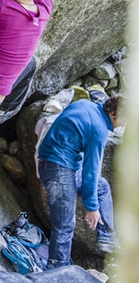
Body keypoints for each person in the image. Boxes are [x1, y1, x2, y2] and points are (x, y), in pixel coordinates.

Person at [38, 96, 123, 269]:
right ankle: (57, 270)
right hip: (58, 170)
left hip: (54, 164)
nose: (123, 125)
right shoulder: (99, 130)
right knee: (65, 225)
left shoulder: (85, 104)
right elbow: (91, 171)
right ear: (114, 113)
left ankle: (107, 238)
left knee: (102, 186)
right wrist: (91, 207)